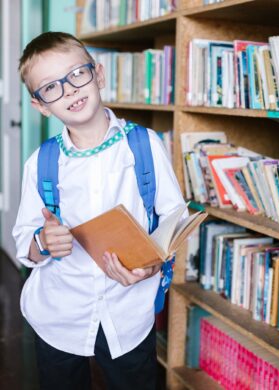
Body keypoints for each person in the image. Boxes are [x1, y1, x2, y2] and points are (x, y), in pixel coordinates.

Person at [13, 31, 186, 390]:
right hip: (59, 314)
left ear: (99, 75)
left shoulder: (144, 146)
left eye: (77, 74)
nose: (70, 90)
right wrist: (42, 242)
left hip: (129, 311)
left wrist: (152, 263)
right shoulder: (41, 163)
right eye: (51, 87)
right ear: (41, 105)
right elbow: (24, 243)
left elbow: (175, 219)